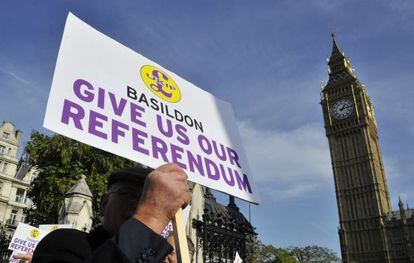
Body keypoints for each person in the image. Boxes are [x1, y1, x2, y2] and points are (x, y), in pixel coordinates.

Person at [18, 163, 190, 263]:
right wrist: (152, 215)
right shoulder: (63, 242)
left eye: (146, 199)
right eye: (130, 195)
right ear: (104, 203)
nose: (140, 205)